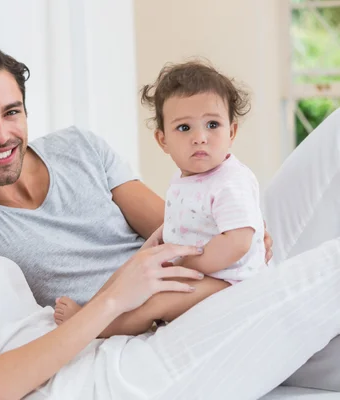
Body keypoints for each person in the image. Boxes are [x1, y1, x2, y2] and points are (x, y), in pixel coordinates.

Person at [0, 79, 340, 399]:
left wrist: (230, 234)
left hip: (156, 307)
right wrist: (119, 298)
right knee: (325, 274)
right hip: (110, 371)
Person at [54, 62, 269, 335]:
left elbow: (238, 242)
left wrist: (187, 265)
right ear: (162, 140)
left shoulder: (230, 181)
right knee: (134, 271)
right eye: (184, 128)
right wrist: (160, 242)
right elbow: (188, 218)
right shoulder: (187, 178)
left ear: (232, 132)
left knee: (158, 299)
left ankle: (102, 329)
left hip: (232, 280)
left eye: (212, 124)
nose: (200, 138)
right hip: (205, 272)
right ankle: (95, 311)